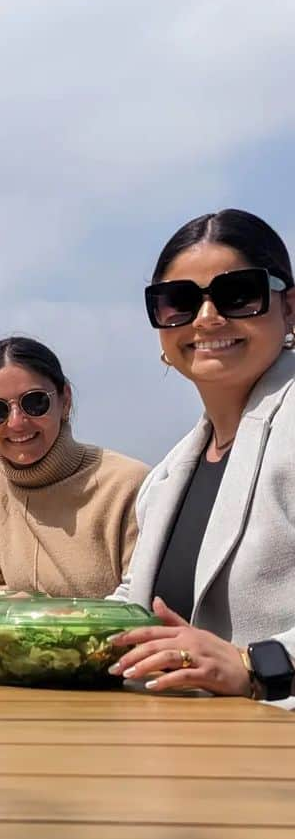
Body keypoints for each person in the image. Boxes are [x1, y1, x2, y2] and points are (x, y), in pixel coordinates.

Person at [111, 209, 295, 702]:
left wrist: (256, 664)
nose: (208, 318)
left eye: (239, 295)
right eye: (180, 302)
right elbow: (134, 604)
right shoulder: (169, 474)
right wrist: (40, 620)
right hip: (186, 754)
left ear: (290, 308)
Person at [0, 336, 148, 597]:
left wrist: (40, 615)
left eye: (35, 402)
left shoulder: (129, 484)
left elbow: (139, 601)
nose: (17, 422)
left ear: (65, 401)